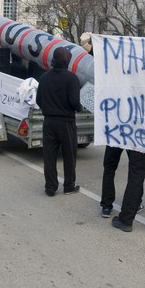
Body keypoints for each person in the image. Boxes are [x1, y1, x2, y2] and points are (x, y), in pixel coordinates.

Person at [35, 46, 83, 196]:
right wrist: (80, 108)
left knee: (49, 156)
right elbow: (74, 101)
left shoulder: (45, 77)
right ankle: (69, 186)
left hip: (49, 121)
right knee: (69, 155)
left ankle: (50, 187)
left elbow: (38, 99)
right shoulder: (72, 78)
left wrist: (48, 108)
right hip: (66, 122)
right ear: (67, 61)